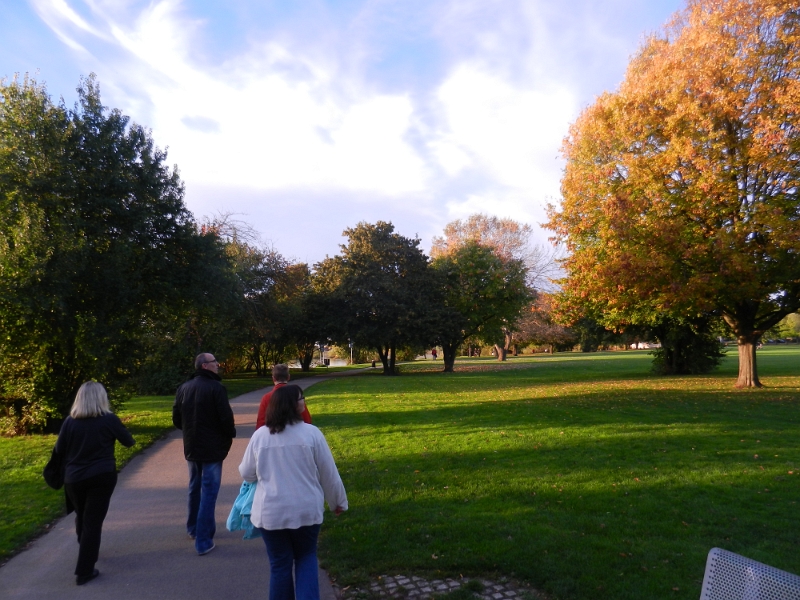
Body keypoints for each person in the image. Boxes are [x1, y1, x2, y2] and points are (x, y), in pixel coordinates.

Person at [239, 384, 347, 600]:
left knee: (280, 564)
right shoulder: (311, 434)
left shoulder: (261, 436)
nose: (303, 401)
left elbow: (247, 473)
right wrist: (337, 501)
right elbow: (329, 473)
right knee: (306, 558)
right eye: (301, 398)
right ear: (292, 405)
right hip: (306, 510)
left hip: (271, 513)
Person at [55, 381, 135, 585]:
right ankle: (84, 570)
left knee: (82, 516)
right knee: (93, 521)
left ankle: (87, 550)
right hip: (101, 476)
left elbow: (59, 450)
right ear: (101, 398)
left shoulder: (69, 422)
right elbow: (128, 441)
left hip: (74, 478)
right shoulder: (109, 420)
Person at [173, 352, 236, 555]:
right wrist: (229, 435)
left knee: (195, 487)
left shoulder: (184, 388)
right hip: (212, 448)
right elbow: (225, 418)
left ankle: (194, 528)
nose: (218, 364)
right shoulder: (216, 388)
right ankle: (203, 540)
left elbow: (176, 418)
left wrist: (191, 431)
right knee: (209, 490)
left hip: (192, 446)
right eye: (213, 362)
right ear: (204, 366)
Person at [256, 364, 311, 429]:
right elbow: (306, 419)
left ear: (273, 378)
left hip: (273, 433)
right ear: (288, 377)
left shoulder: (266, 397)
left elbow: (261, 421)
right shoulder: (295, 395)